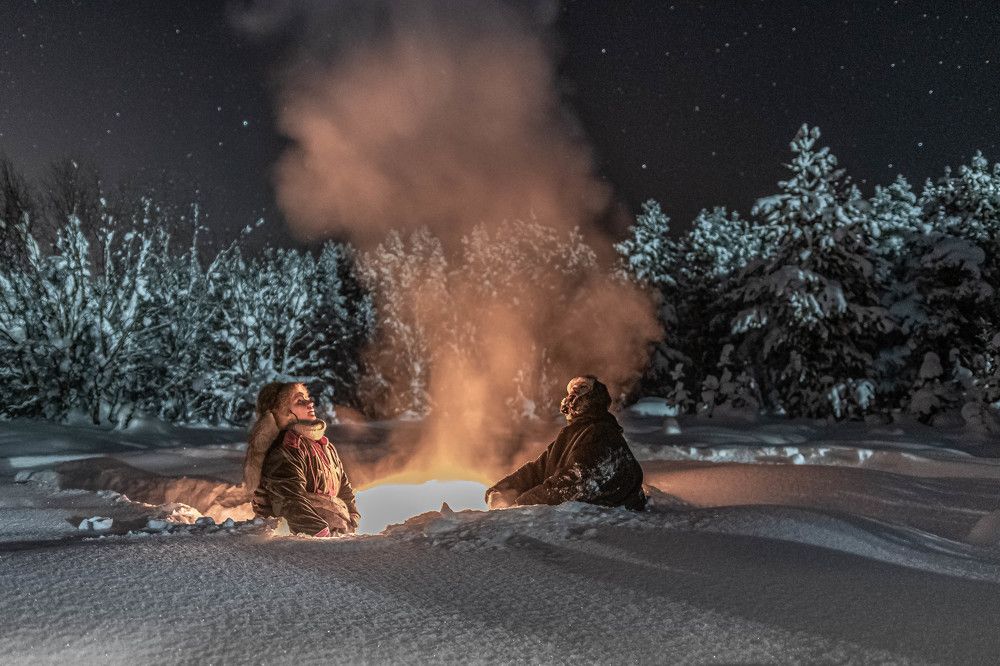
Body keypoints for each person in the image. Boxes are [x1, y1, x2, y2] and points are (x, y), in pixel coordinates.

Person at [485, 375, 646, 511]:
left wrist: (519, 505)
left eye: (582, 388)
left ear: (594, 397)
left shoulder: (601, 433)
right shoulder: (571, 434)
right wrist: (501, 490)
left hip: (604, 524)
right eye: (571, 391)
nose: (573, 395)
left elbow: (572, 483)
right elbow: (537, 470)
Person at [243, 381, 360, 536]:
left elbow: (343, 484)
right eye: (300, 401)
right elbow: (289, 500)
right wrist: (320, 532)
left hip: (337, 532)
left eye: (308, 398)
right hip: (307, 541)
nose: (310, 403)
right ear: (284, 412)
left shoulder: (324, 445)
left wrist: (352, 514)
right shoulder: (287, 449)